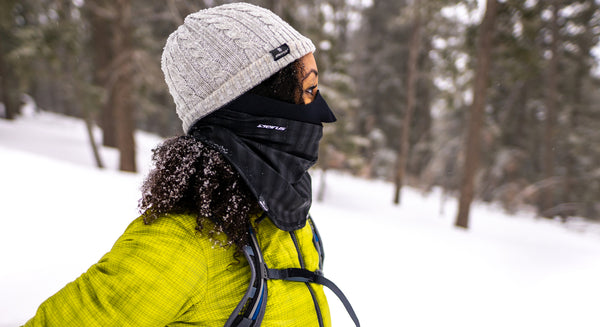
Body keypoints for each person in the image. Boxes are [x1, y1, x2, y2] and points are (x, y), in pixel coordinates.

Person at [23, 2, 358, 327]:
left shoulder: (281, 206)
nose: (322, 112)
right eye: (309, 89)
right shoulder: (183, 244)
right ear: (259, 103)